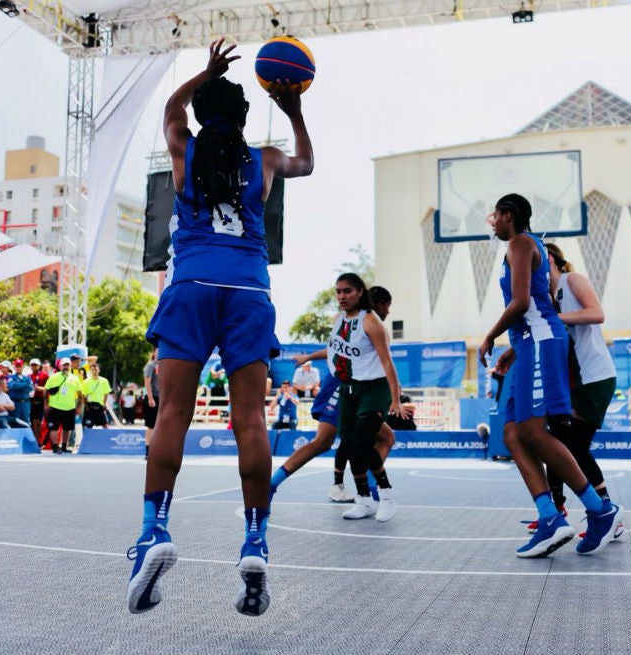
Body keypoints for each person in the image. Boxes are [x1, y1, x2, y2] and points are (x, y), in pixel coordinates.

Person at [126, 38, 313, 617]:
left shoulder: (185, 150)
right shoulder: (265, 159)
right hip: (249, 290)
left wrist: (201, 75)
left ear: (204, 114)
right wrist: (294, 110)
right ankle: (255, 541)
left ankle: (155, 531)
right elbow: (306, 162)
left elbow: (169, 114)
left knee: (172, 414)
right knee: (250, 418)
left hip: (193, 286)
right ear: (246, 116)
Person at [478, 193, 622, 558]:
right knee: (511, 433)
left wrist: (491, 335)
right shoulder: (524, 245)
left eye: (493, 216)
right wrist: (513, 347)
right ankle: (550, 517)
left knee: (532, 431)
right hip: (530, 344)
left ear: (508, 215)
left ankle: (600, 510)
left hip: (541, 343)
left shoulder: (521, 242)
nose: (490, 222)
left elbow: (523, 302)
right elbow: (534, 307)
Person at [524, 242, 624, 538]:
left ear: (549, 259)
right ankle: (557, 511)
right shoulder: (548, 298)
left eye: (533, 264)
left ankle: (607, 513)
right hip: (572, 383)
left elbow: (597, 313)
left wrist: (555, 319)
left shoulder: (572, 280)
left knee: (575, 448)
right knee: (555, 443)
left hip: (595, 377)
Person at [270, 286, 397, 503]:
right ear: (381, 305)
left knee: (384, 437)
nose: (389, 311)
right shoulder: (361, 324)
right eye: (388, 306)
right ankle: (271, 484)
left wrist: (309, 356)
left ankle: (368, 489)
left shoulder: (365, 325)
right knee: (323, 442)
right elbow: (336, 349)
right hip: (341, 389)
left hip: (357, 392)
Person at [322, 273, 405, 523]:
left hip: (374, 389)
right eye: (338, 292)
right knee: (349, 444)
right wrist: (307, 358)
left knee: (360, 441)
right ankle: (364, 501)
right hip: (349, 389)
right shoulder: (339, 320)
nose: (342, 296)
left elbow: (387, 362)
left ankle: (386, 495)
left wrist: (396, 399)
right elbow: (331, 351)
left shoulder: (371, 321)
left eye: (347, 291)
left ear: (360, 291)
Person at [44, 358, 84, 452]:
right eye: (64, 365)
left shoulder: (75, 378)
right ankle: (55, 447)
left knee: (67, 428)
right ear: (60, 366)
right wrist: (46, 405)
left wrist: (78, 407)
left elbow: (80, 395)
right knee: (54, 428)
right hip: (55, 407)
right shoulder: (54, 377)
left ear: (70, 366)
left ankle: (64, 446)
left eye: (68, 365)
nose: (66, 367)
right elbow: (46, 391)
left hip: (69, 407)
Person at [82, 363, 112, 428]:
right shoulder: (86, 382)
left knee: (105, 425)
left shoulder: (104, 381)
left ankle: (107, 437)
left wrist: (104, 404)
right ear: (90, 371)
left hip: (99, 406)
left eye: (96, 369)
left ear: (99, 370)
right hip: (90, 406)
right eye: (92, 370)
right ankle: (88, 438)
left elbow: (106, 394)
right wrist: (86, 406)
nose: (94, 371)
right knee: (87, 426)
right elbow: (83, 395)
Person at [142, 348, 159, 459]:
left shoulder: (162, 365)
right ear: (154, 352)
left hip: (161, 398)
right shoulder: (151, 365)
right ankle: (148, 451)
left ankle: (157, 450)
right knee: (151, 426)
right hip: (152, 398)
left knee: (159, 426)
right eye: (158, 350)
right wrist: (150, 398)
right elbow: (147, 381)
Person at [7, 359, 34, 427]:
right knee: (15, 423)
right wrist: (24, 384)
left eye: (20, 366)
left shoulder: (27, 378)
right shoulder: (11, 377)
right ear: (14, 367)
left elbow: (30, 388)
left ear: (23, 367)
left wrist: (19, 385)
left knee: (26, 423)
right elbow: (12, 386)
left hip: (25, 403)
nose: (19, 368)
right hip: (15, 403)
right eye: (17, 366)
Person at [28, 358, 49, 445]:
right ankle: (34, 441)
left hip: (40, 400)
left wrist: (40, 388)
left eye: (35, 365)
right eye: (32, 365)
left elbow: (48, 389)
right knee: (32, 422)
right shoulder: (28, 377)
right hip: (30, 400)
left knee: (38, 422)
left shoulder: (44, 376)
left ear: (39, 366)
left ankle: (38, 441)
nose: (34, 367)